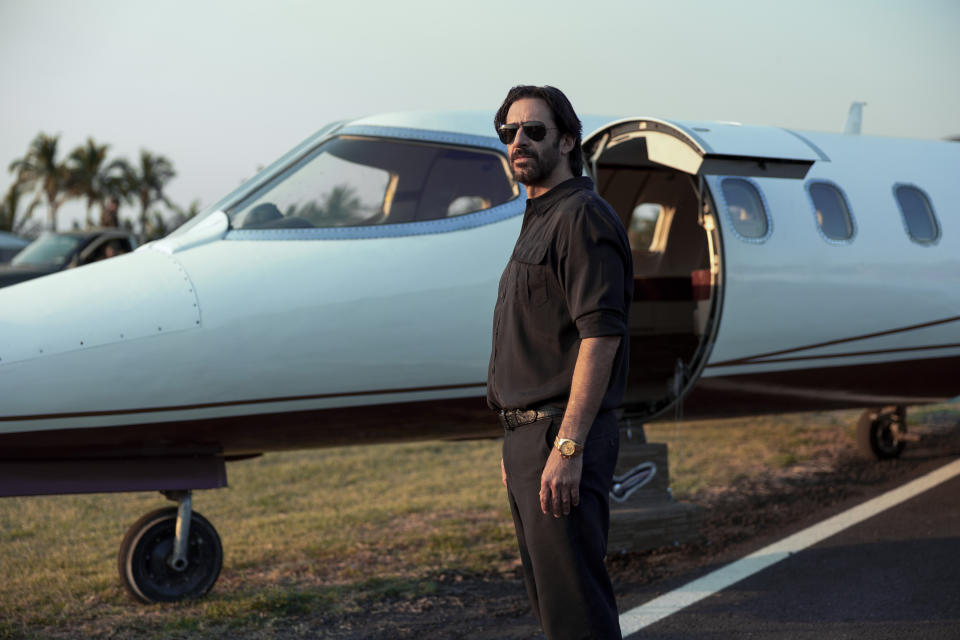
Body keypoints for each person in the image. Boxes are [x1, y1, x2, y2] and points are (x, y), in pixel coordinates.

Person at [487, 86, 632, 639]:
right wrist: (516, 438)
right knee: (555, 607)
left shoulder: (581, 218)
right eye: (509, 132)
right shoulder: (540, 216)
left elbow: (601, 336)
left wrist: (566, 446)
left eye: (534, 131)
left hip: (560, 438)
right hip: (531, 440)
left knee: (576, 611)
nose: (518, 141)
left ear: (568, 140)